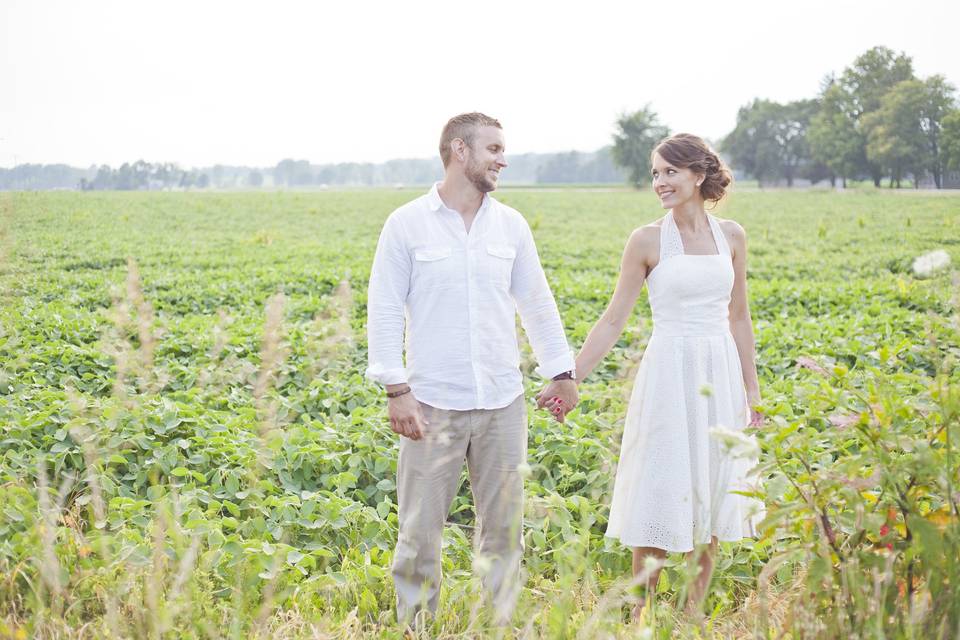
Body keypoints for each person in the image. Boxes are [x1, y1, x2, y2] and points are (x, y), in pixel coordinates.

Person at [365, 112, 578, 626]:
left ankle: (501, 628)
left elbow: (538, 303)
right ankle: (416, 629)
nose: (503, 159)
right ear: (460, 151)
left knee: (503, 531)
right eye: (494, 149)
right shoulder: (406, 224)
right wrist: (397, 388)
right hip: (431, 404)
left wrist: (562, 372)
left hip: (503, 403)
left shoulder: (511, 225)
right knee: (419, 533)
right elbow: (386, 307)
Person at [541, 133, 764, 616]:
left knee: (711, 477)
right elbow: (614, 319)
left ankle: (693, 612)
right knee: (661, 481)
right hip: (669, 370)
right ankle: (642, 612)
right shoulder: (645, 240)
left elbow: (739, 316)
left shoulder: (733, 235)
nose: (659, 182)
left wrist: (752, 388)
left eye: (669, 172)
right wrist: (569, 376)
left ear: (698, 175)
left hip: (719, 368)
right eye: (654, 174)